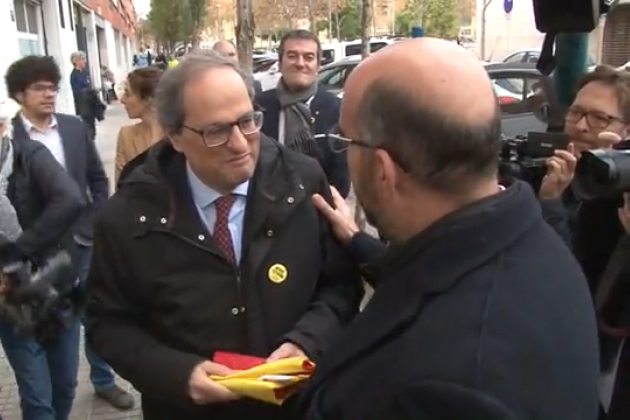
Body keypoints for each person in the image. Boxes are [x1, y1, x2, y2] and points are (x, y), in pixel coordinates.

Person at [290, 37, 599, 420]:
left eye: (345, 141)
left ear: (383, 169)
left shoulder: (448, 385)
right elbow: (440, 271)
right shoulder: (536, 247)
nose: (344, 154)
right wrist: (357, 242)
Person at [85, 50, 363, 420]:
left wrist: (306, 342)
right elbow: (108, 324)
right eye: (216, 130)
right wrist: (177, 374)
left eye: (247, 121)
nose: (240, 143)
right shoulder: (127, 217)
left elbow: (340, 286)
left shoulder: (302, 181)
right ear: (175, 137)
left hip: (298, 407)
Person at [5, 55, 134, 411]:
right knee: (36, 386)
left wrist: (89, 228)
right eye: (38, 88)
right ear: (19, 94)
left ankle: (102, 379)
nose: (48, 94)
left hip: (76, 256)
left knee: (69, 369)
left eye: (52, 87)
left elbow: (95, 180)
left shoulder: (74, 128)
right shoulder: (9, 141)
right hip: (26, 268)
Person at [0, 86, 87, 420]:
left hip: (56, 287)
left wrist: (15, 253)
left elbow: (71, 200)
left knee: (64, 385)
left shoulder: (29, 156)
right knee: (37, 397)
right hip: (13, 303)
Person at [256, 30, 350, 197]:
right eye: (292, 56)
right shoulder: (258, 106)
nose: (300, 63)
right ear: (280, 62)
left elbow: (340, 178)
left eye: (308, 57)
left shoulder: (336, 109)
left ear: (318, 65)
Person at [115, 66, 164, 184]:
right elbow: (120, 187)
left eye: (128, 93)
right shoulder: (126, 136)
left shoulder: (179, 135)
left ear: (148, 99)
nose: (122, 100)